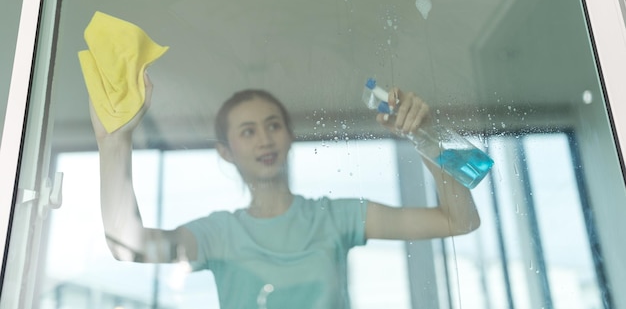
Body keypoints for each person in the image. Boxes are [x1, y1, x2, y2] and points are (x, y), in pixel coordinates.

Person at [91, 74, 480, 309]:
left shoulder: (335, 218)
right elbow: (129, 245)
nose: (265, 139)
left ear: (290, 135)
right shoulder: (217, 234)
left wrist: (424, 133)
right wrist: (113, 145)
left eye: (273, 125)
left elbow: (459, 220)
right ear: (225, 153)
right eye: (248, 131)